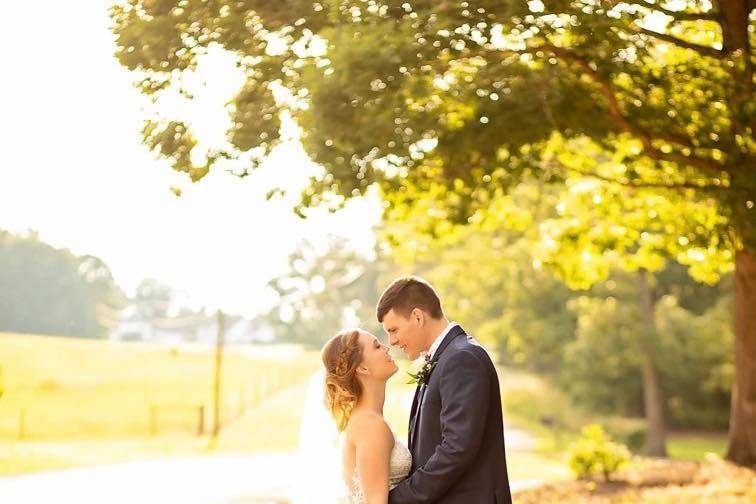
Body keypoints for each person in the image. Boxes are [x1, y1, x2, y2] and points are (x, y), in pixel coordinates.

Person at [378, 276, 512, 503]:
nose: (392, 341)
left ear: (418, 317)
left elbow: (457, 448)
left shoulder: (462, 358)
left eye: (394, 329)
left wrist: (400, 498)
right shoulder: (447, 357)